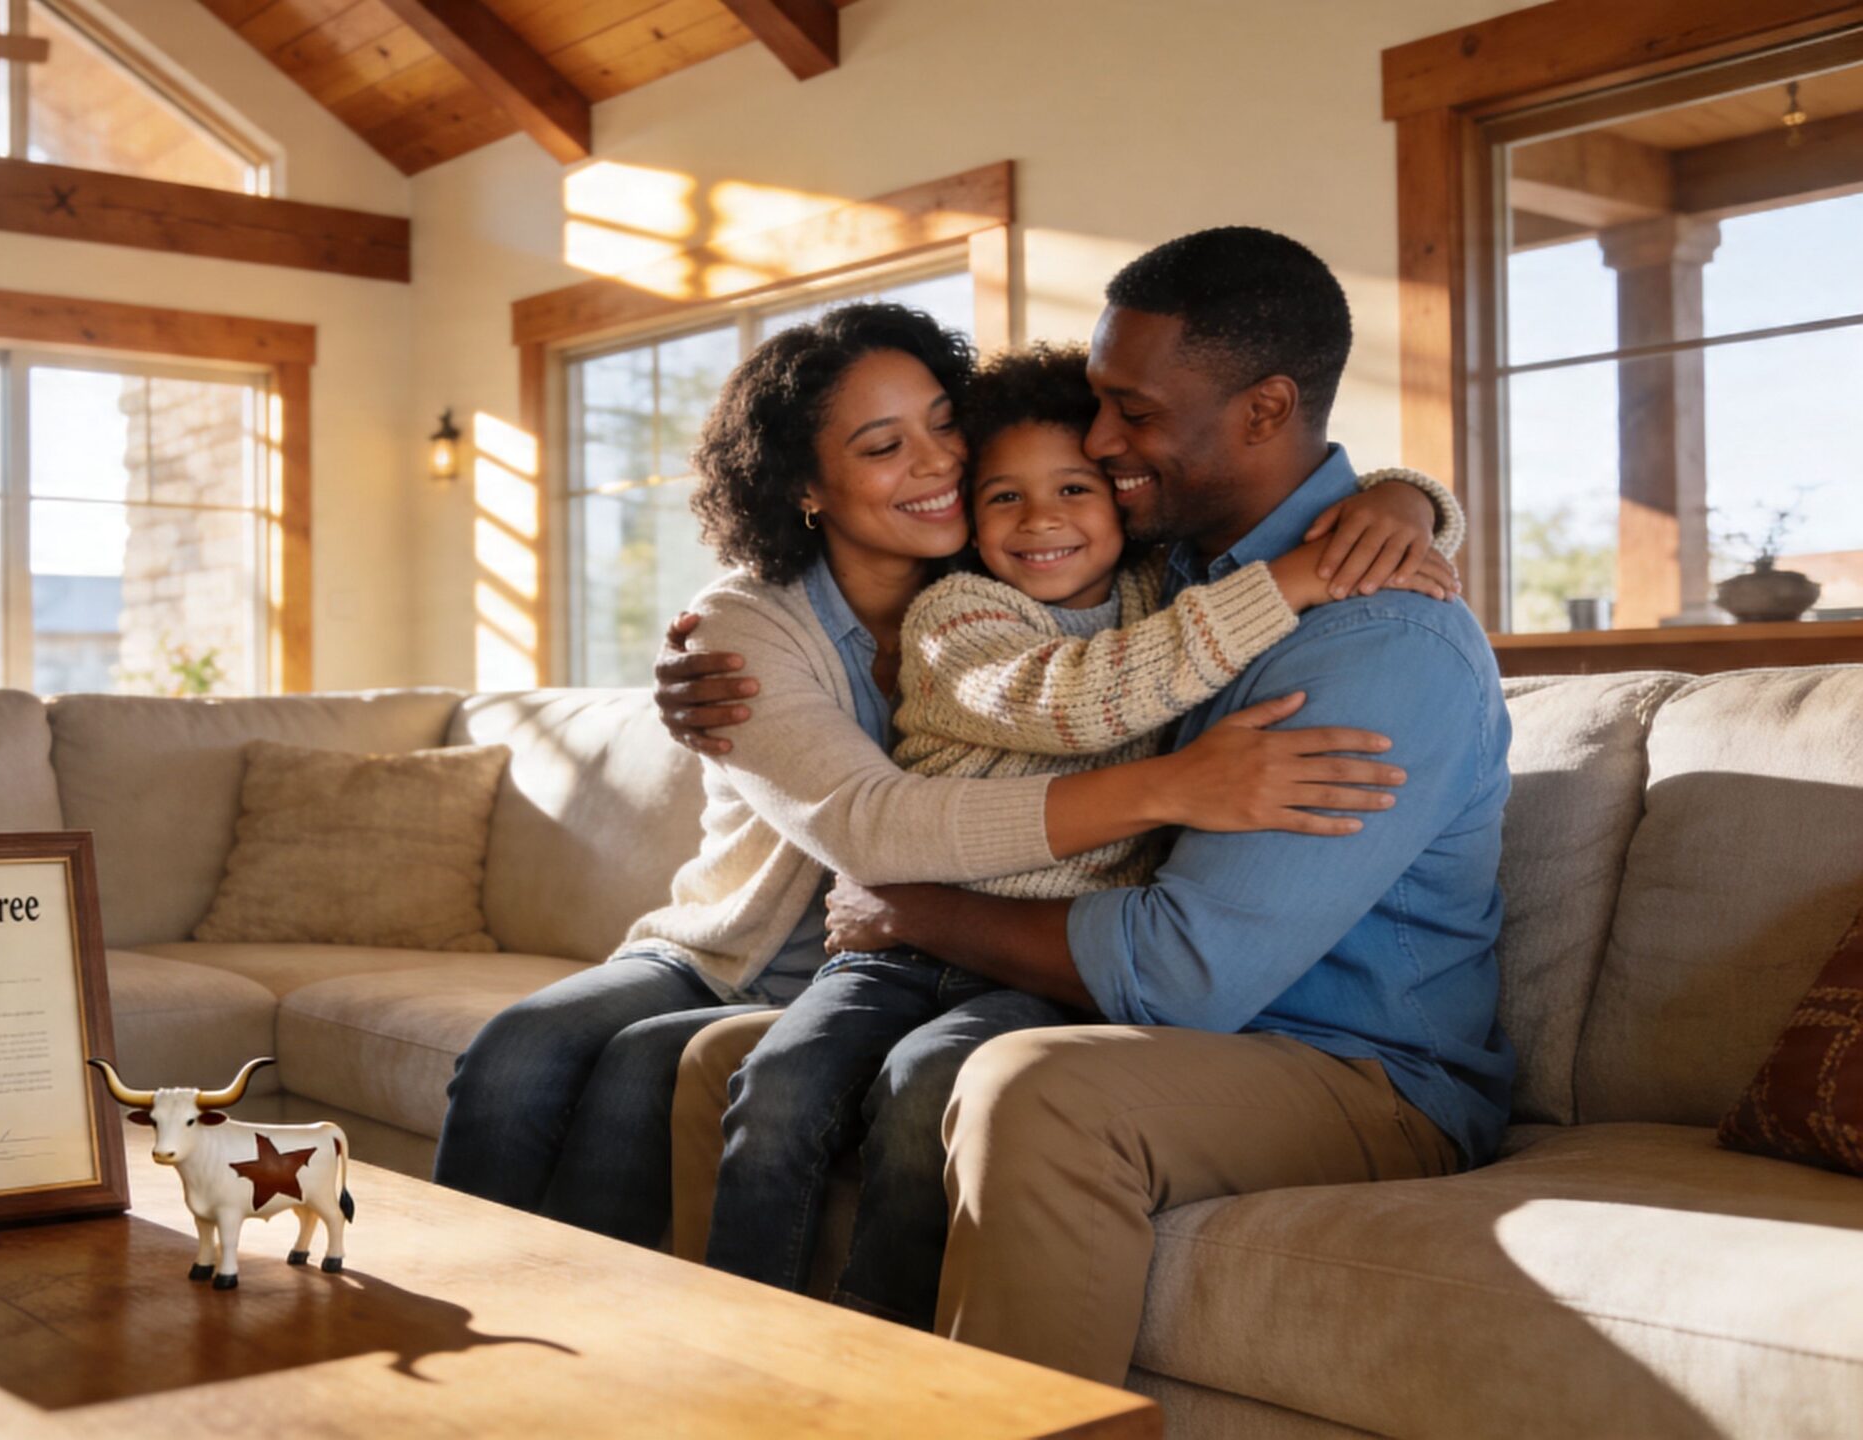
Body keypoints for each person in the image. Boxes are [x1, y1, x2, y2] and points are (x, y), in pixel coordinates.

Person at [659, 228, 1513, 1384]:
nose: (1103, 446)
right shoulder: (1175, 572)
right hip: (1187, 1030)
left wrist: (912, 910)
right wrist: (1413, 494)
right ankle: (723, 1385)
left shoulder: (1374, 631)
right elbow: (1079, 669)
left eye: (1132, 415)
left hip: (1352, 1065)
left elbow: (1181, 973)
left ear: (1263, 412)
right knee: (728, 1060)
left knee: (1031, 1092)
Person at [432, 301, 1443, 1253]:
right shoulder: (752, 625)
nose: (937, 464)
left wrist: (1410, 501)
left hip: (917, 948)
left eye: (942, 424)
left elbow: (1245, 514)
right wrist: (1171, 785)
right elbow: (876, 829)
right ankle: (481, 1332)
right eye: (882, 447)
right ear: (805, 486)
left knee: (654, 1068)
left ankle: (641, 1346)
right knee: (524, 1048)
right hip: (746, 952)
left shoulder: (1019, 564)